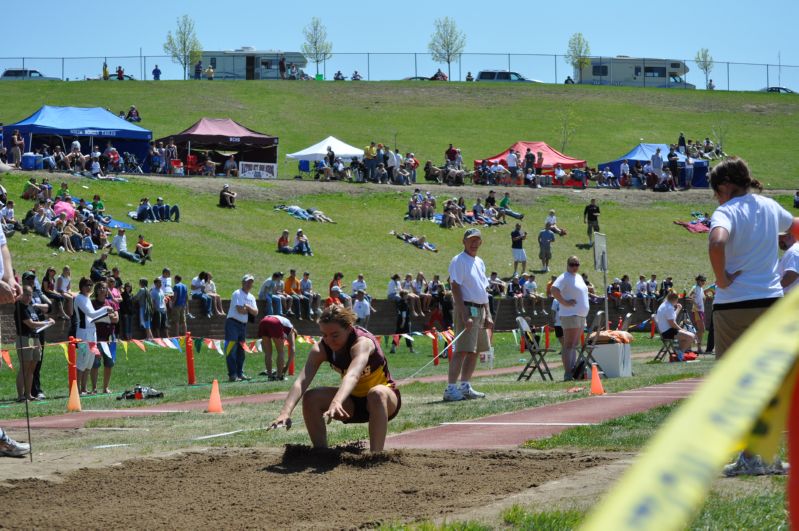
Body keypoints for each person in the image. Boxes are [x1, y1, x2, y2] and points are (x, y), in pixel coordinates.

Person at [706, 158, 798, 476]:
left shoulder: (726, 211)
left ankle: (749, 455)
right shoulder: (770, 207)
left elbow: (717, 242)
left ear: (724, 187)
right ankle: (766, 454)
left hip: (733, 304)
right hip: (771, 302)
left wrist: (721, 279)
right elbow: (796, 227)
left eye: (716, 193)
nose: (717, 199)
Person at [268, 305, 400, 452]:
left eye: (335, 335)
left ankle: (376, 456)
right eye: (324, 335)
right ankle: (322, 454)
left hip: (384, 401)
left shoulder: (362, 343)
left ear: (349, 328)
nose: (329, 340)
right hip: (353, 402)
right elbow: (301, 382)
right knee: (311, 397)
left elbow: (353, 375)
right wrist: (285, 412)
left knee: (376, 393)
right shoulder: (321, 349)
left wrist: (337, 401)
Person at [443, 228, 492, 402]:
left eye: (477, 240)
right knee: (462, 350)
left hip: (479, 309)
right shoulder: (459, 260)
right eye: (470, 239)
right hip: (467, 309)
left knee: (474, 351)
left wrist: (488, 314)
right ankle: (450, 388)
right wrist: (464, 314)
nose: (474, 243)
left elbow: (484, 289)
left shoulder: (479, 261)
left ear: (481, 242)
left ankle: (465, 385)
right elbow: (455, 287)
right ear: (463, 241)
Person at [550, 256, 589, 381]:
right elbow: (554, 290)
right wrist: (564, 302)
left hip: (580, 315)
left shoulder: (578, 277)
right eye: (572, 264)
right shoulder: (564, 277)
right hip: (570, 314)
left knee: (574, 344)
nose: (574, 267)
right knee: (568, 344)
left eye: (577, 264)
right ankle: (568, 373)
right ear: (567, 264)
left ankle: (572, 371)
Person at [75, 277, 112, 395]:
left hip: (92, 332)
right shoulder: (79, 298)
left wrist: (106, 316)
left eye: (90, 285)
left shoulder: (87, 298)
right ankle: (77, 389)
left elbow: (92, 317)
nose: (89, 287)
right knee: (82, 361)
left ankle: (84, 388)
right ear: (81, 286)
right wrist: (106, 309)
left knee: (90, 362)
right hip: (83, 333)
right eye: (86, 285)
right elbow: (91, 313)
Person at [225, 274, 259, 382]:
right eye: (247, 282)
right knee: (231, 349)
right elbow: (239, 310)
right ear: (243, 283)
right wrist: (249, 310)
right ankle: (233, 375)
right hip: (233, 323)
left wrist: (247, 307)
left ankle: (240, 373)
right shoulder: (237, 293)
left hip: (243, 325)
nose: (249, 284)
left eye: (251, 282)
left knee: (241, 350)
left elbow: (256, 312)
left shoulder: (251, 297)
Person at [90, 282, 118, 394]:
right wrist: (108, 316)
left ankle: (105, 387)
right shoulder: (92, 304)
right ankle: (94, 388)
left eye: (105, 288)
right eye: (100, 288)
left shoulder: (111, 303)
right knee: (95, 363)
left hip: (110, 337)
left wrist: (106, 316)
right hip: (96, 336)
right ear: (96, 290)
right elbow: (92, 317)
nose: (103, 290)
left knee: (109, 363)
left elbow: (116, 319)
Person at [258, 314, 296, 381]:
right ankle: (279, 376)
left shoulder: (285, 324)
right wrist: (286, 368)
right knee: (281, 352)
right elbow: (293, 348)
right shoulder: (291, 329)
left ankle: (270, 376)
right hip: (274, 322)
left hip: (263, 321)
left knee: (268, 353)